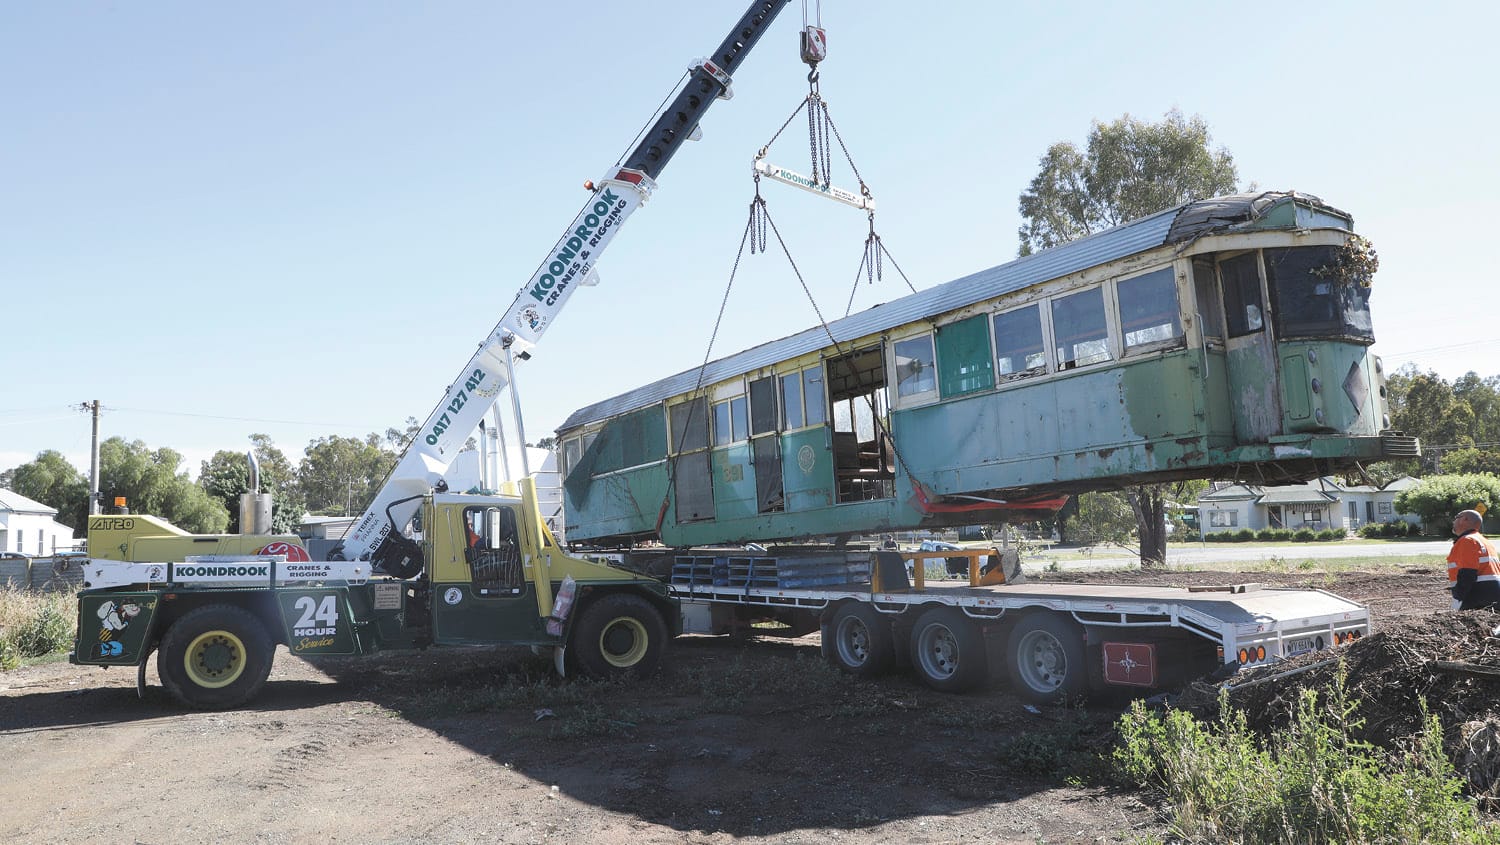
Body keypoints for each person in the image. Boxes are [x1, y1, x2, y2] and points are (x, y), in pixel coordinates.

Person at [1447, 509, 1500, 611]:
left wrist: (1459, 596)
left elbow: (1468, 572)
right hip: (1493, 593)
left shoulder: (1467, 540)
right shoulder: (1484, 541)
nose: (1453, 522)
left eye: (1456, 518)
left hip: (1478, 594)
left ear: (1465, 519)